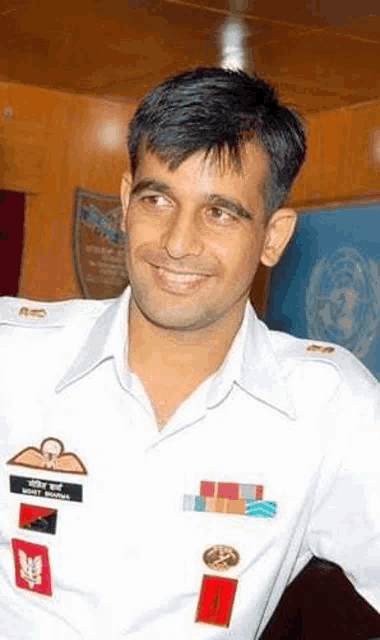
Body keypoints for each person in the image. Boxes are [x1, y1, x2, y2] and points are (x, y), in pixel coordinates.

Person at [1, 67, 379, 640]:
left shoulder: (330, 407)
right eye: (158, 199)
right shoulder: (14, 353)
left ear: (273, 237)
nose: (178, 243)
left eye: (220, 212)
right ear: (126, 203)